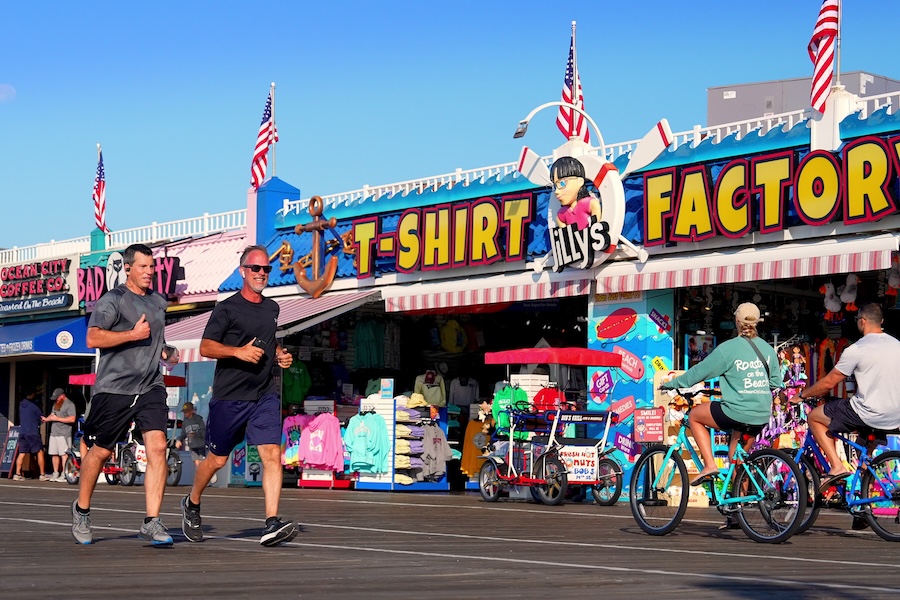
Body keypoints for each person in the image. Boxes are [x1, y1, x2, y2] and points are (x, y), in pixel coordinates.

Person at [180, 245, 298, 546]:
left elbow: (269, 346)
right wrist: (238, 352)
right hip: (230, 396)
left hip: (263, 394)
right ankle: (192, 503)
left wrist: (281, 355)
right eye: (255, 269)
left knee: (272, 455)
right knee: (217, 461)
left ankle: (271, 523)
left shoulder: (273, 309)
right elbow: (206, 347)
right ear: (243, 271)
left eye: (266, 269)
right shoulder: (227, 308)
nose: (261, 274)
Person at [71, 243, 179, 545]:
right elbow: (93, 337)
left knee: (158, 447)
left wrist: (167, 352)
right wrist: (131, 334)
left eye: (152, 266)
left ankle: (152, 521)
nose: (149, 272)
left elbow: (158, 341)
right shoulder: (113, 300)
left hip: (150, 386)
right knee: (102, 451)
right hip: (115, 387)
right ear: (128, 268)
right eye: (143, 266)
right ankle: (81, 510)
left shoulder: (159, 301)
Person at [661, 303, 782, 514]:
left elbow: (699, 372)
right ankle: (738, 511)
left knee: (695, 416)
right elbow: (775, 382)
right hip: (761, 413)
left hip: (737, 411)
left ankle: (709, 464)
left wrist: (672, 383)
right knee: (737, 458)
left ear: (737, 322)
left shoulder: (729, 349)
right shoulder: (767, 349)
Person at [793, 303, 900, 498]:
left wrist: (802, 395)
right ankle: (864, 504)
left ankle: (836, 466)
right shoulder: (897, 345)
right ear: (881, 322)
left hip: (868, 413)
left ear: (863, 321)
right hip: (894, 416)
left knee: (815, 417)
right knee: (864, 457)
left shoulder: (857, 349)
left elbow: (829, 382)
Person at [549, 156, 602, 230]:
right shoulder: (561, 214)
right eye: (555, 186)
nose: (557, 192)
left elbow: (596, 224)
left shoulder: (589, 203)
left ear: (580, 181)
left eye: (562, 183)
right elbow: (566, 235)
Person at [175, 402, 215, 484]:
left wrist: (195, 433)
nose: (185, 414)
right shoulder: (185, 422)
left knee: (202, 463)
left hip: (200, 444)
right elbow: (183, 433)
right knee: (198, 464)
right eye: (184, 412)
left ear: (191, 411)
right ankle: (202, 481)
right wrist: (179, 440)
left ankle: (209, 474)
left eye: (187, 412)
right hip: (192, 446)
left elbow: (204, 431)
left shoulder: (198, 419)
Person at [13, 390, 49, 481]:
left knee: (21, 453)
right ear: (32, 394)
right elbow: (41, 418)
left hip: (22, 431)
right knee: (40, 452)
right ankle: (42, 474)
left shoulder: (21, 405)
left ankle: (17, 474)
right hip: (32, 432)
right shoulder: (35, 407)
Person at [42, 388, 76, 482]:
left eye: (57, 398)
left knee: (64, 454)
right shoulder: (56, 404)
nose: (56, 399)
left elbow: (72, 419)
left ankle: (64, 474)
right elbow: (53, 416)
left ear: (62, 395)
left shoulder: (70, 405)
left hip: (64, 434)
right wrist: (46, 419)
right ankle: (55, 473)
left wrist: (58, 419)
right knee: (54, 454)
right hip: (54, 433)